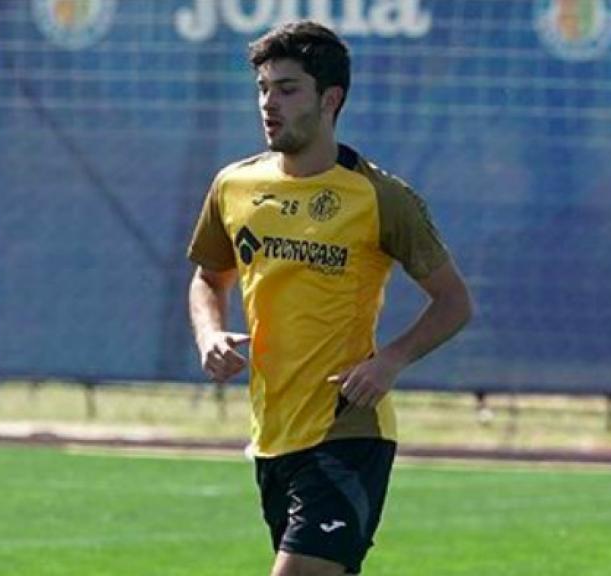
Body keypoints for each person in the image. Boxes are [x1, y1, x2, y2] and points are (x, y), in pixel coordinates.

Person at [186, 21, 473, 576]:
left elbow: (454, 302)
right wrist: (209, 333)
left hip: (348, 431)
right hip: (273, 434)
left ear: (330, 98)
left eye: (288, 89)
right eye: (263, 88)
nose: (269, 103)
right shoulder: (234, 186)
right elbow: (207, 277)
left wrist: (390, 359)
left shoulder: (381, 198)